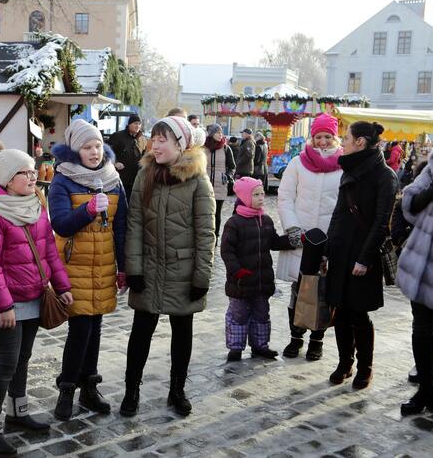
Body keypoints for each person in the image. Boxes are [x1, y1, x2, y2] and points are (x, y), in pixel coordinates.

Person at [0, 140, 73, 455]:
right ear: (6, 179)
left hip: (34, 296)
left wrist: (62, 286)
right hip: (8, 303)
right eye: (24, 173)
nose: (33, 178)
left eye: (33, 171)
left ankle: (17, 413)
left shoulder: (36, 206)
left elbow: (49, 253)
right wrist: (3, 305)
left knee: (23, 359)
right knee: (5, 363)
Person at [120, 116, 215, 418]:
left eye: (163, 140)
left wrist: (201, 276)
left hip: (182, 271)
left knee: (181, 332)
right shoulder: (144, 175)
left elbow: (205, 233)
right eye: (154, 138)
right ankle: (131, 389)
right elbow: (134, 223)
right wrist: (133, 267)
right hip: (148, 269)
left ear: (181, 144)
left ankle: (177, 389)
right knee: (140, 333)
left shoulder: (198, 181)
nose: (155, 144)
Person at [49, 119, 128, 421]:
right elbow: (61, 224)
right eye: (86, 147)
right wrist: (88, 210)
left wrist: (123, 266)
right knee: (80, 328)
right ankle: (67, 388)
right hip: (74, 264)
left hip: (104, 264)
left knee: (95, 328)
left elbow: (121, 225)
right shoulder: (62, 179)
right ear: (74, 150)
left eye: (97, 145)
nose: (94, 152)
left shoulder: (113, 179)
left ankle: (90, 388)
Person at [325, 121, 397, 389]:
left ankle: (365, 368)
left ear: (361, 142)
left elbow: (382, 223)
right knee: (340, 311)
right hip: (341, 251)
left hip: (362, 254)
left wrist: (364, 259)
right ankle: (345, 363)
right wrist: (327, 249)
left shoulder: (384, 175)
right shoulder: (349, 168)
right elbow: (338, 213)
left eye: (346, 138)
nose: (342, 141)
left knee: (359, 314)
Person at [277, 113, 343, 361]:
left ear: (335, 137)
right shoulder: (298, 163)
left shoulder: (344, 165)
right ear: (312, 137)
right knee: (299, 289)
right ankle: (296, 337)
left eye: (328, 136)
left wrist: (335, 236)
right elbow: (285, 197)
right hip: (302, 239)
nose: (323, 141)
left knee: (324, 292)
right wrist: (292, 228)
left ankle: (317, 340)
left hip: (329, 240)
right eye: (319, 136)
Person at [221, 177, 299, 361]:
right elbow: (227, 251)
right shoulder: (234, 223)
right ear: (244, 197)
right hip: (240, 282)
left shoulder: (266, 220)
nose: (261, 197)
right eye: (256, 194)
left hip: (262, 281)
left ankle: (260, 346)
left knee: (261, 314)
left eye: (262, 193)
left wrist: (293, 241)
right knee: (238, 314)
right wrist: (237, 271)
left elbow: (273, 242)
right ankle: (235, 347)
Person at [396, 151, 433, 415]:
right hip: (423, 265)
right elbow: (409, 204)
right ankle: (426, 390)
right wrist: (432, 190)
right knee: (421, 328)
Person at [203, 124, 235, 241]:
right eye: (217, 132)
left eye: (221, 132)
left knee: (217, 213)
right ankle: (205, 235)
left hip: (220, 185)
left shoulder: (226, 148)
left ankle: (215, 236)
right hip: (204, 184)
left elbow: (232, 166)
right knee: (204, 212)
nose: (220, 134)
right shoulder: (203, 147)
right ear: (211, 134)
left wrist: (227, 176)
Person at [110, 113, 143, 199]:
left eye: (139, 124)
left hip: (134, 183)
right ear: (129, 124)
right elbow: (106, 152)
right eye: (135, 123)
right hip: (119, 182)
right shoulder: (118, 136)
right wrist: (115, 163)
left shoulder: (140, 139)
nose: (138, 126)